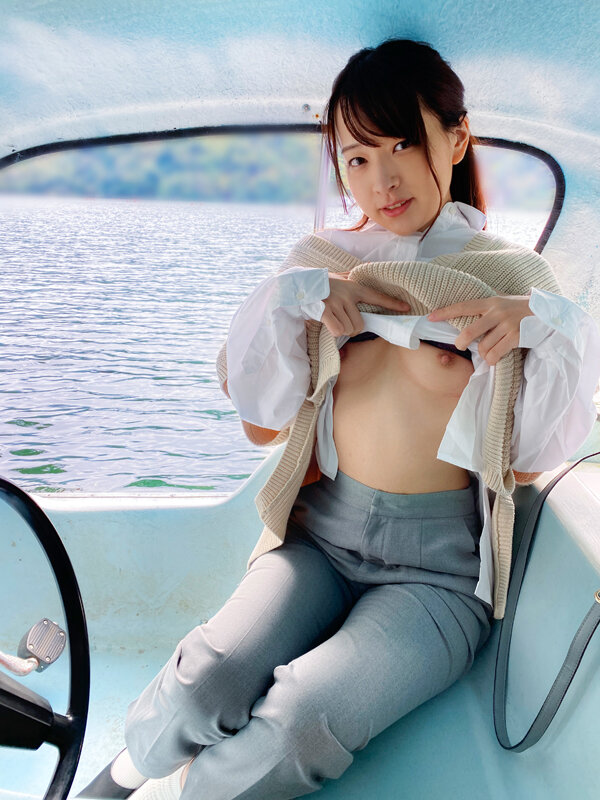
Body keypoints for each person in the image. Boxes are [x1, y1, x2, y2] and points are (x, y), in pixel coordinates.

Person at [79, 38, 600, 800]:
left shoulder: (514, 280)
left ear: (457, 138)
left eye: (403, 144)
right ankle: (116, 780)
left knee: (299, 722)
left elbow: (524, 462)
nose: (381, 179)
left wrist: (542, 324)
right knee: (203, 682)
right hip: (320, 538)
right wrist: (298, 300)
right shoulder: (319, 263)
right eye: (357, 157)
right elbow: (261, 425)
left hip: (438, 574)